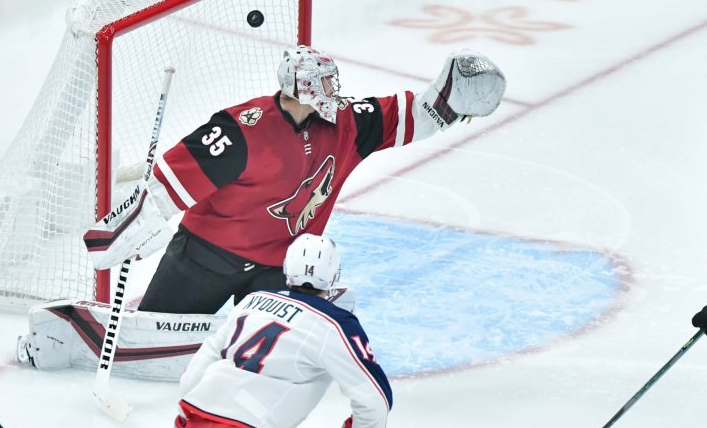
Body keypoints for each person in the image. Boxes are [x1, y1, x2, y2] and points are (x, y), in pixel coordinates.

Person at [85, 46, 506, 314]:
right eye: (324, 82)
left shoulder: (346, 124)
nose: (334, 89)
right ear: (302, 89)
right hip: (206, 259)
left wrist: (451, 100)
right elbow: (164, 189)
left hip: (280, 269)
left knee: (279, 360)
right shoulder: (240, 130)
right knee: (157, 327)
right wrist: (113, 238)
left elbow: (411, 115)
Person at [172, 234, 391, 428]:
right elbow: (374, 399)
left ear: (287, 267)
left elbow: (198, 369)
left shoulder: (252, 302)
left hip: (199, 423)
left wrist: (183, 425)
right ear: (335, 275)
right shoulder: (335, 323)